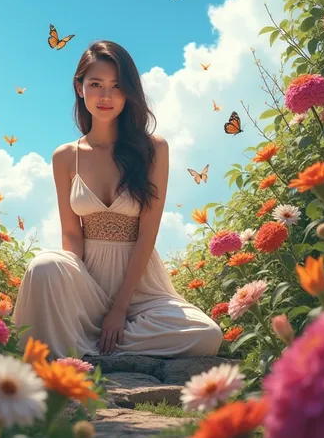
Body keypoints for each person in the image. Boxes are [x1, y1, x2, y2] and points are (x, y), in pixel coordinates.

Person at [13, 40, 223, 359]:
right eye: (96, 84)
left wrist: (119, 308)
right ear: (80, 88)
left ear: (129, 93)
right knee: (44, 266)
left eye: (117, 86)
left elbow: (147, 233)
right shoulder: (66, 157)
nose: (106, 96)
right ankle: (93, 339)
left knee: (207, 336)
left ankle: (89, 345)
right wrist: (77, 292)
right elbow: (71, 234)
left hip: (140, 291)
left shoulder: (154, 150)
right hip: (88, 282)